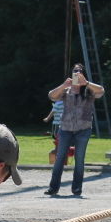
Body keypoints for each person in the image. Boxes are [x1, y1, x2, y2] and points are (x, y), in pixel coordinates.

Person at [45, 63, 104, 197]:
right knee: (59, 159)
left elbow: (101, 91)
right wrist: (64, 85)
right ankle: (53, 188)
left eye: (79, 71)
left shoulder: (89, 90)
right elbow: (51, 96)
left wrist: (86, 83)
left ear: (83, 74)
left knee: (79, 160)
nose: (77, 73)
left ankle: (77, 189)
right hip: (65, 129)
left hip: (83, 130)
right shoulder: (66, 91)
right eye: (75, 71)